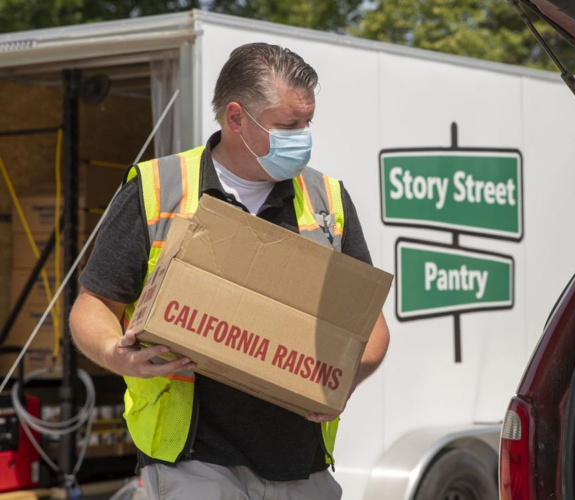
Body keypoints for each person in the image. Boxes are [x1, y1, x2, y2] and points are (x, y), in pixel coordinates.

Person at [69, 43, 390, 500]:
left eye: (307, 123)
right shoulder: (158, 188)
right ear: (236, 118)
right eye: (288, 125)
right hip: (193, 461)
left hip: (303, 465)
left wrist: (346, 378)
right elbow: (94, 302)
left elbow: (371, 326)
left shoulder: (327, 201)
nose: (303, 136)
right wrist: (114, 353)